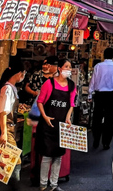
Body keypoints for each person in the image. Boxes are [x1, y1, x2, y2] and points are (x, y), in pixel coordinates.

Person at [0, 65, 26, 191]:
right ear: (19, 73)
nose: (23, 76)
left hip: (8, 127)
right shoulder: (7, 89)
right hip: (5, 128)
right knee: (14, 160)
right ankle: (15, 188)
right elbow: (3, 112)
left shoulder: (11, 88)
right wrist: (4, 133)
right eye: (23, 73)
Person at [36, 59, 76, 191]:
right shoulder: (49, 83)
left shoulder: (71, 85)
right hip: (48, 125)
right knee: (47, 156)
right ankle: (43, 184)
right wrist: (45, 116)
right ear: (59, 68)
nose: (68, 69)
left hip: (62, 125)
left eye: (70, 67)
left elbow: (71, 104)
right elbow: (40, 102)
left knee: (58, 157)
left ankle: (54, 184)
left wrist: (68, 117)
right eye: (66, 67)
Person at [88, 48, 113, 150]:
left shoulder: (98, 66)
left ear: (103, 55)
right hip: (111, 95)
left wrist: (90, 94)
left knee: (97, 117)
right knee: (109, 119)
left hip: (99, 95)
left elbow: (93, 81)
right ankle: (106, 142)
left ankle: (96, 140)